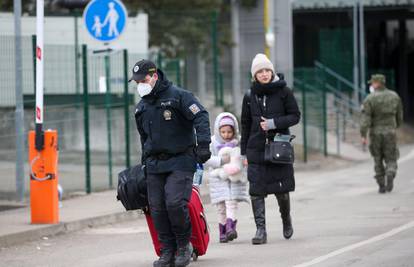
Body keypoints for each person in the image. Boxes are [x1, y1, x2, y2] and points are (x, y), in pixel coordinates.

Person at [131, 59, 211, 267]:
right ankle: (167, 250)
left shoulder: (179, 96)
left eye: (144, 79)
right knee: (156, 208)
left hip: (181, 160)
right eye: (137, 81)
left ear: (155, 76)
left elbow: (201, 116)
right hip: (155, 164)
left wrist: (203, 145)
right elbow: (144, 139)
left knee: (174, 203)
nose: (140, 83)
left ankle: (184, 246)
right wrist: (144, 165)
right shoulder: (141, 107)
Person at [240, 53, 301, 245]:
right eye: (260, 71)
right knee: (256, 191)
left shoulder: (284, 92)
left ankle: (286, 219)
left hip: (278, 147)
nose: (264, 74)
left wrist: (274, 123)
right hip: (256, 148)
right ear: (254, 75)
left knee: (281, 190)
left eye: (267, 70)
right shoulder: (250, 95)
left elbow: (295, 116)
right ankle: (260, 230)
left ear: (272, 72)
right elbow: (245, 123)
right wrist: (243, 152)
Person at [204, 112, 249, 243]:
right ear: (218, 131)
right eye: (223, 132)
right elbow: (206, 159)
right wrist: (221, 161)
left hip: (234, 178)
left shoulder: (239, 142)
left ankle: (230, 228)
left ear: (234, 130)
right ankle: (222, 231)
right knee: (221, 206)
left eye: (229, 132)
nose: (226, 135)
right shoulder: (212, 143)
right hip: (218, 179)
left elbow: (244, 157)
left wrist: (242, 162)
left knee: (232, 203)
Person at [360, 74, 403, 194]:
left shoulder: (369, 99)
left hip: (375, 133)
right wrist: (395, 127)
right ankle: (390, 172)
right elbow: (399, 115)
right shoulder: (394, 96)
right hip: (390, 131)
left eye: (372, 83)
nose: (371, 85)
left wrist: (363, 135)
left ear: (377, 83)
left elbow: (366, 119)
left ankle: (381, 185)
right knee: (391, 156)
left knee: (377, 158)